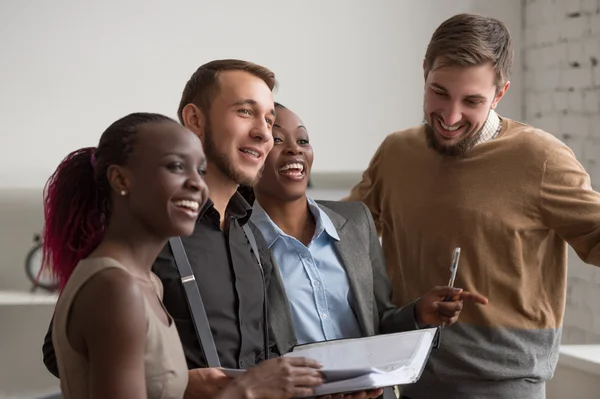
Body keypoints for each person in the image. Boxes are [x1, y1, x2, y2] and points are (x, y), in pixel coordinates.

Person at [346, 13, 600, 399]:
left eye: (472, 101)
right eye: (440, 92)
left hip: (505, 385)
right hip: (407, 378)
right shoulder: (397, 152)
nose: (449, 117)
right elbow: (342, 235)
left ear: (500, 94)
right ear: (425, 73)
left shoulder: (541, 158)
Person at [42, 60, 325, 399]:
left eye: (269, 120)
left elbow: (269, 357)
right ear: (194, 120)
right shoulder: (144, 231)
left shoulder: (252, 235)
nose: (265, 133)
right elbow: (64, 351)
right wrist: (178, 385)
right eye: (245, 112)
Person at [250, 103, 489, 399]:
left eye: (302, 140)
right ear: (254, 154)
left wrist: (419, 313)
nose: (294, 150)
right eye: (276, 140)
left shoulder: (355, 221)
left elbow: (379, 321)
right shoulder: (240, 239)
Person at [42, 112, 208, 398]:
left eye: (201, 171)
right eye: (176, 166)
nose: (198, 184)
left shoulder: (149, 282)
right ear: (120, 178)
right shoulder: (115, 288)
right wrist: (244, 392)